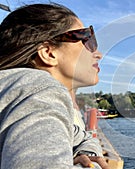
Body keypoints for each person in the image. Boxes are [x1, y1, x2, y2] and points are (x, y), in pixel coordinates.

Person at [0, 3, 109, 169]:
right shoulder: (40, 88)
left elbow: (82, 136)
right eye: (86, 39)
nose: (98, 54)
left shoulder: (16, 91)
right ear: (48, 53)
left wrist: (86, 154)